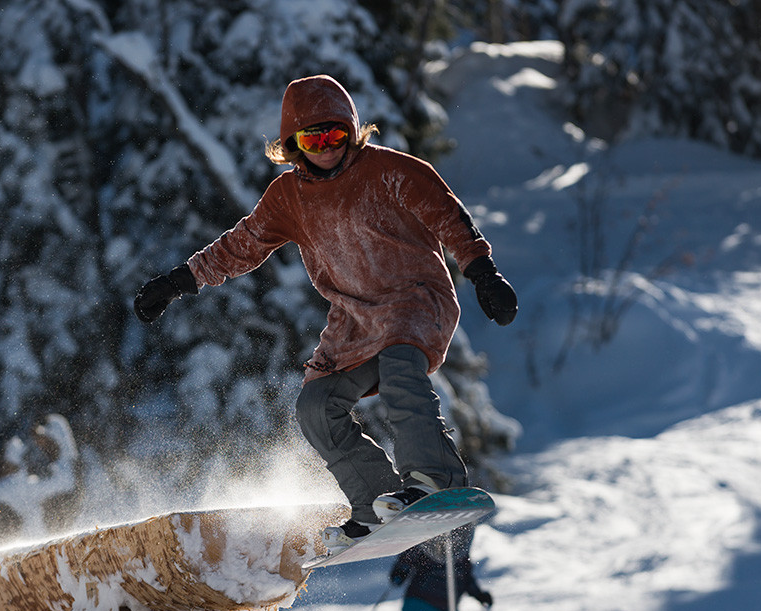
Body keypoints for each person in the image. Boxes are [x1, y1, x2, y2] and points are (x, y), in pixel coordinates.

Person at [133, 74, 516, 547]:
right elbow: (242, 245)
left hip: (414, 298)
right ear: (293, 145)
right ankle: (375, 499)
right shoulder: (287, 198)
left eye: (336, 135)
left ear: (352, 132)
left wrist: (483, 272)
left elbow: (448, 215)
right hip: (354, 318)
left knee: (400, 368)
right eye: (313, 138)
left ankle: (434, 477)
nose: (327, 147)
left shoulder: (392, 171)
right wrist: (179, 281)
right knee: (316, 406)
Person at [390, 525, 493, 611]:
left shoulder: (460, 555)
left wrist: (479, 595)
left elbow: (465, 578)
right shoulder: (426, 547)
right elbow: (407, 559)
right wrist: (400, 572)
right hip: (420, 604)